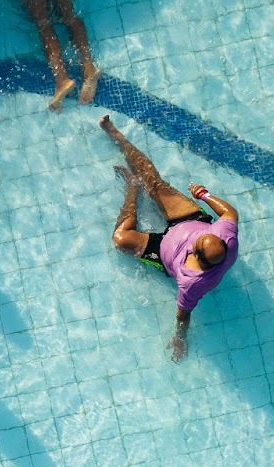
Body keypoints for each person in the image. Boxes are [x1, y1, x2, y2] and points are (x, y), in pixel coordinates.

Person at [102, 115, 239, 362]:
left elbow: (183, 315)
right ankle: (117, 136)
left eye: (198, 242)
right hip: (188, 218)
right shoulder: (225, 237)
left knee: (121, 239)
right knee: (153, 181)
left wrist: (179, 338)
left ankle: (131, 191)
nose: (204, 235)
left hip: (161, 251)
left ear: (196, 255)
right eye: (207, 234)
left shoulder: (191, 284)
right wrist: (204, 195)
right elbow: (230, 213)